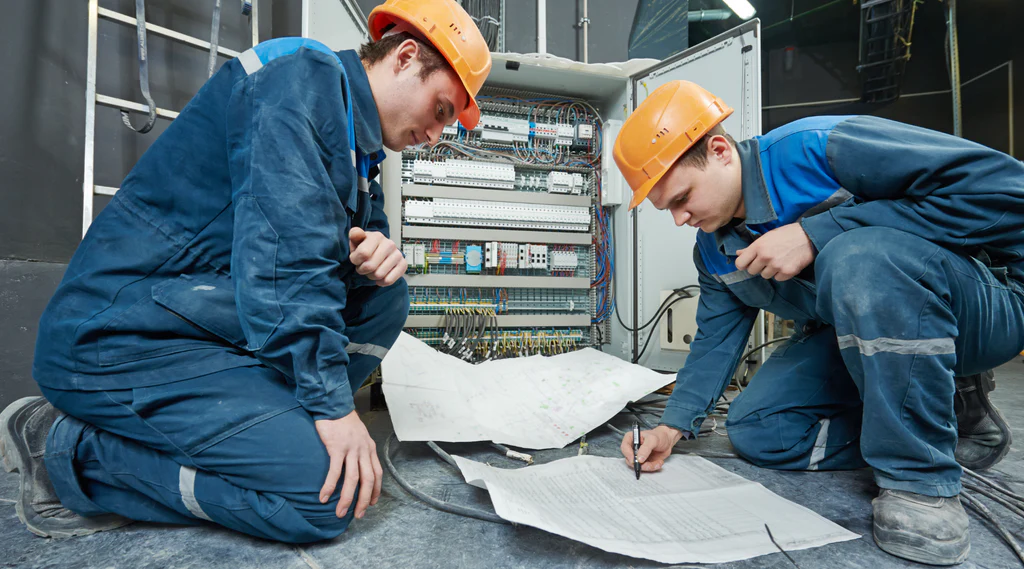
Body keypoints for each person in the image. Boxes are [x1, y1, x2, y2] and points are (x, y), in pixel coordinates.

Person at [0, 0, 491, 543]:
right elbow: (288, 262)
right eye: (442, 110)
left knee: (385, 293)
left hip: (195, 320)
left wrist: (381, 249)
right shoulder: (301, 79)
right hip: (118, 336)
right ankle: (63, 447)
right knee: (321, 500)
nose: (435, 134)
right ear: (404, 58)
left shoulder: (359, 155)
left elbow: (334, 260)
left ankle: (276, 426)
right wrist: (333, 409)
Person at [613, 80, 1023, 566]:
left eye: (682, 199)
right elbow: (715, 342)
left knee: (859, 258)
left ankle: (921, 481)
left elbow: (1006, 187)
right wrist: (671, 428)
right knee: (761, 429)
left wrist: (817, 232)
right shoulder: (713, 249)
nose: (680, 218)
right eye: (668, 211)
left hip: (987, 301)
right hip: (860, 337)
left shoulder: (819, 149)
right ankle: (951, 418)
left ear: (720, 151)